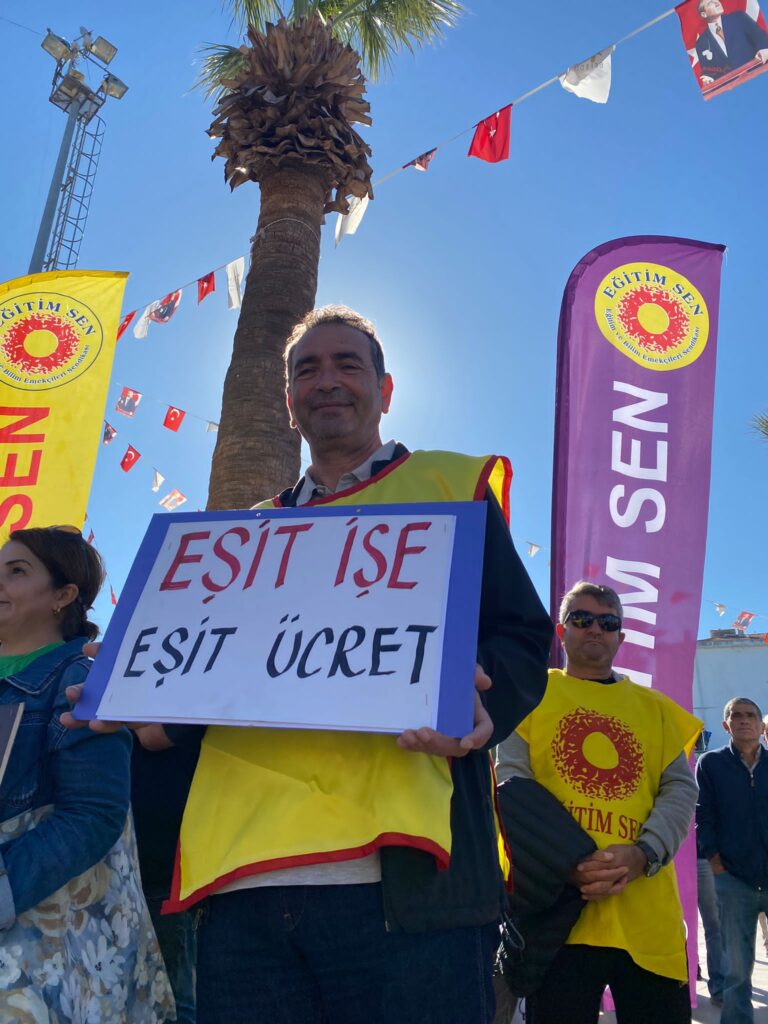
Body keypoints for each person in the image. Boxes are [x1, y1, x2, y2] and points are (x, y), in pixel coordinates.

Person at [66, 305, 553, 1024]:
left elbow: (521, 637)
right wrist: (144, 700)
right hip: (242, 893)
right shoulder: (239, 540)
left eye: (347, 364)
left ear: (385, 389)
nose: (327, 381)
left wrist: (484, 698)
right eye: (306, 370)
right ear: (288, 402)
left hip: (407, 888)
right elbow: (222, 691)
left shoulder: (454, 487)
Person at [496, 581, 701, 1024]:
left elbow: (681, 789)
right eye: (582, 619)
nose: (595, 629)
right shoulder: (530, 696)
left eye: (608, 622)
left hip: (647, 920)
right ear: (562, 630)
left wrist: (643, 854)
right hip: (558, 920)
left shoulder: (657, 709)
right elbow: (512, 786)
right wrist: (567, 864)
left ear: (620, 637)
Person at [0, 525, 174, 1022]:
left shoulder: (80, 678)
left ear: (63, 595)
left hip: (42, 948)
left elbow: (93, 814)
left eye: (16, 571)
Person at [696, 697, 768, 1023]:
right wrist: (715, 861)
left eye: (750, 715)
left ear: (762, 725)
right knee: (737, 971)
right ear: (726, 725)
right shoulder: (711, 764)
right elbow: (704, 815)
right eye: (736, 716)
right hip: (734, 880)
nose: (744, 720)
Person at [695, 0, 768, 82]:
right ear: (704, 14)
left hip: (758, 74)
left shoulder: (738, 18)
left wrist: (764, 48)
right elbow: (708, 71)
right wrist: (709, 78)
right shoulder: (701, 43)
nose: (717, 2)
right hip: (732, 86)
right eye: (710, 2)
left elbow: (760, 36)